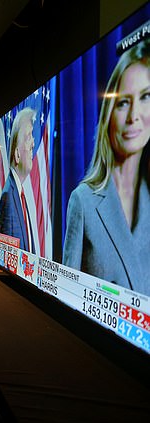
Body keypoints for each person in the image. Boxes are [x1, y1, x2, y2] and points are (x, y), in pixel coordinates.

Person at [63, 40, 150, 296]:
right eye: (123, 102)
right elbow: (68, 295)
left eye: (146, 97)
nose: (134, 115)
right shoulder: (83, 201)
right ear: (109, 114)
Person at [0, 107, 36, 252]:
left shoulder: (19, 194)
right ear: (17, 154)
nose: (33, 143)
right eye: (28, 137)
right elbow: (7, 254)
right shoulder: (9, 196)